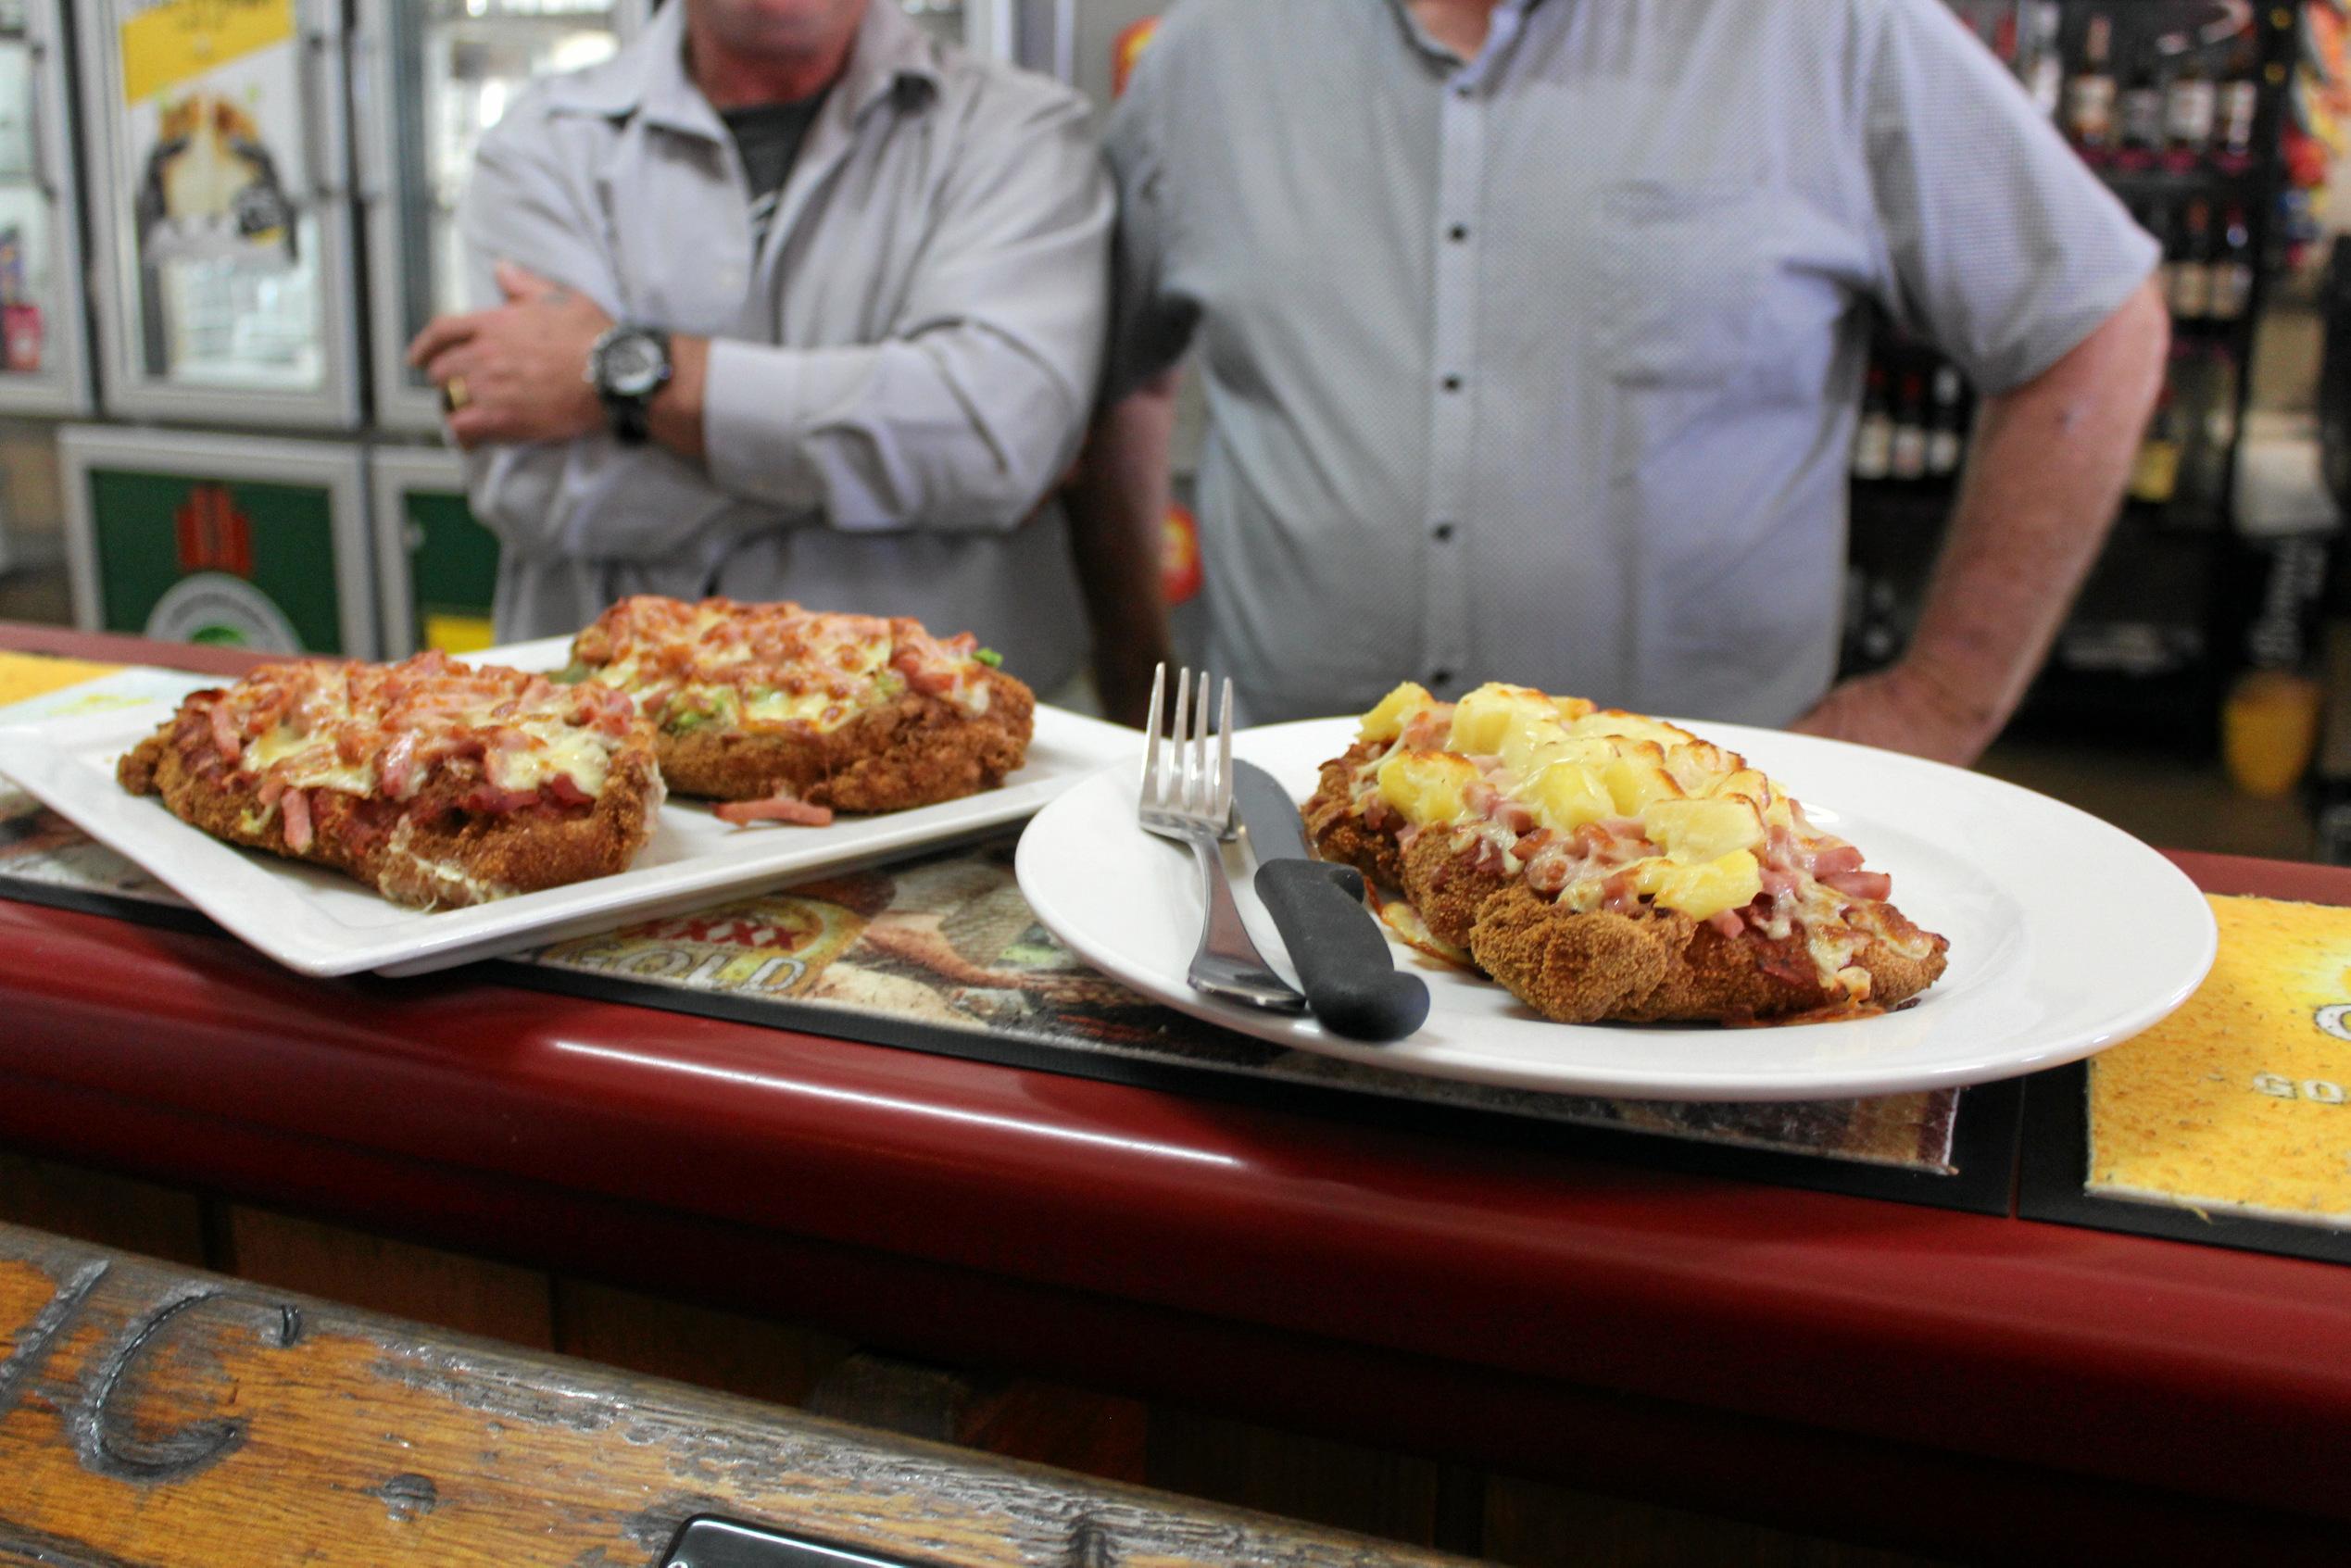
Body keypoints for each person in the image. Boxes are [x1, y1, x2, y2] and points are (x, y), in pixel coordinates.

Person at [1068, 0, 2171, 763]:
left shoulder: (1830, 31)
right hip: (1290, 823)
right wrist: (1139, 680)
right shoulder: (1203, 58)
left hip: (1693, 864)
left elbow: (2094, 324)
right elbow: (1121, 376)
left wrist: (1937, 702)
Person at [407, 0, 1112, 694]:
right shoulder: (540, 144)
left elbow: (994, 440)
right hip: (605, 752)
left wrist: (631, 378)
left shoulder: (1020, 131)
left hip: (948, 747)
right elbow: (530, 482)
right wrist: (892, 469)